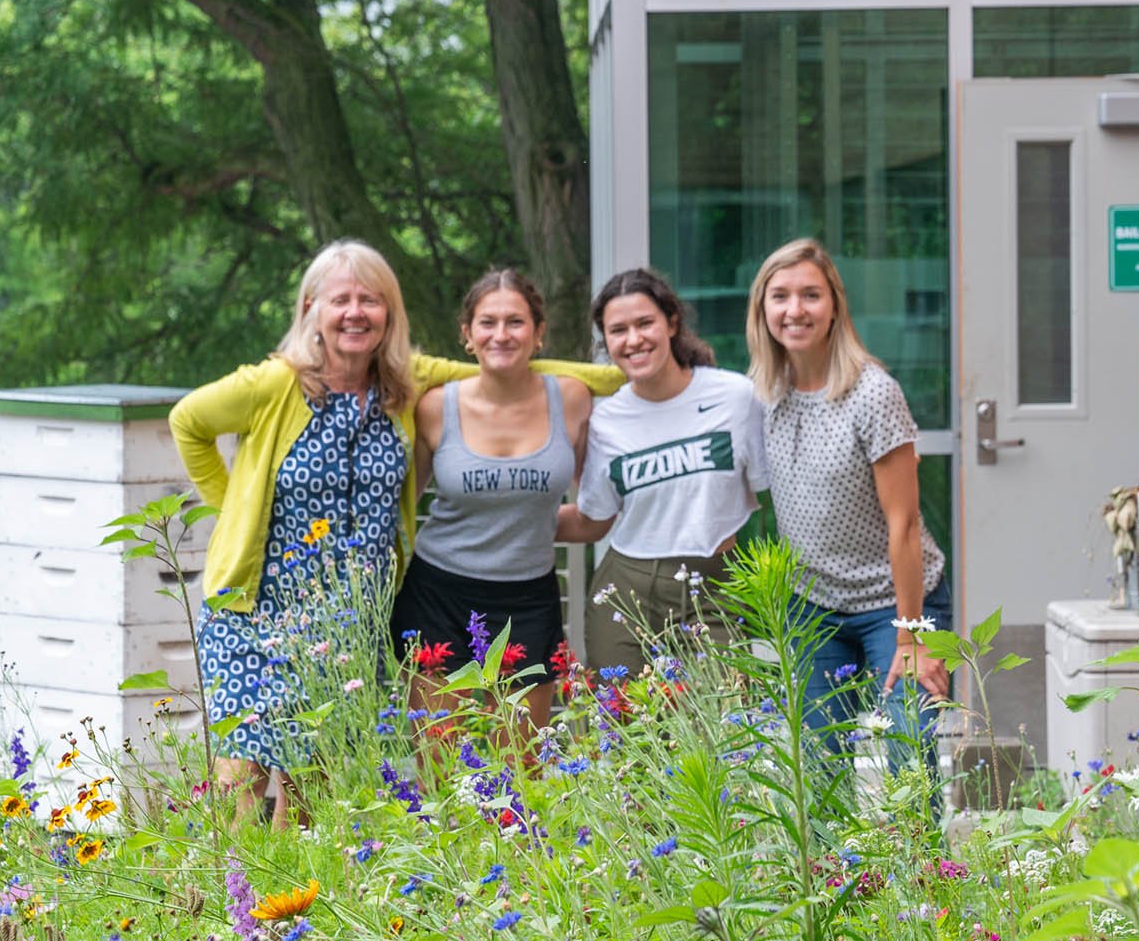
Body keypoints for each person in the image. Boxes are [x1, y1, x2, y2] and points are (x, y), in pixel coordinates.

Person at [170, 242, 615, 824]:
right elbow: (189, 422)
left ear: (389, 313)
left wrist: (633, 373)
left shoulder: (405, 382)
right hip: (256, 610)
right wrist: (231, 511)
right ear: (311, 309)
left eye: (370, 300)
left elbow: (504, 366)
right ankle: (227, 908)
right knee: (242, 781)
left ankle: (299, 911)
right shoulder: (274, 384)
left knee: (316, 789)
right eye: (341, 300)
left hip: (349, 617)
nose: (356, 313)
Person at [743, 237, 952, 771]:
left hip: (897, 604)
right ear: (762, 308)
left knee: (910, 759)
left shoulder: (872, 393)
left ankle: (922, 860)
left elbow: (903, 525)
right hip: (811, 604)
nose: (795, 310)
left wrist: (910, 639)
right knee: (818, 772)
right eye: (780, 296)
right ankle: (833, 862)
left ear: (834, 305)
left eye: (810, 295)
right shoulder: (760, 395)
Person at [391, 268, 596, 730]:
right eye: (488, 322)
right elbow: (403, 506)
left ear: (539, 333)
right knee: (439, 766)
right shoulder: (433, 406)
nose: (501, 334)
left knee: (523, 767)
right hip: (438, 593)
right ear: (467, 334)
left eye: (516, 322)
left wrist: (536, 525)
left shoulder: (573, 398)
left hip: (529, 595)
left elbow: (594, 503)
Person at [557, 268, 767, 678]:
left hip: (715, 584)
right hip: (626, 586)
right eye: (618, 330)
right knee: (625, 730)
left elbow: (773, 491)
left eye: (644, 323)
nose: (633, 339)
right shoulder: (606, 421)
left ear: (671, 322)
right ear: (606, 341)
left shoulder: (734, 397)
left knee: (723, 726)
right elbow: (594, 519)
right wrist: (506, 520)